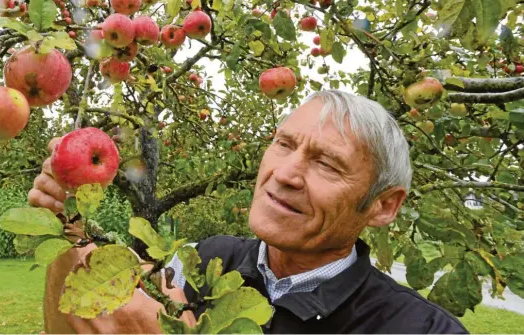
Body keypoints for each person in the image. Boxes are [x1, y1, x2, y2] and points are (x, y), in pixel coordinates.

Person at [28, 90, 468, 334]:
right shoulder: (201, 260)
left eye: (327, 163)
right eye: (284, 144)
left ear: (383, 205)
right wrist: (68, 232)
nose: (286, 174)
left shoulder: (420, 330)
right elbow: (79, 326)